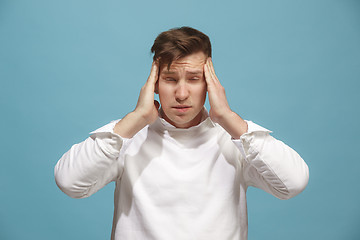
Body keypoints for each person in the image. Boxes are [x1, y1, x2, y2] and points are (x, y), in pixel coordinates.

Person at [55, 26, 309, 240]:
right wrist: (135, 120)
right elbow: (69, 182)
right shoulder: (127, 137)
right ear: (154, 83)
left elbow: (293, 183)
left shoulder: (236, 139)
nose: (181, 93)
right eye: (170, 78)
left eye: (194, 78)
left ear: (210, 83)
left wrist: (229, 119)